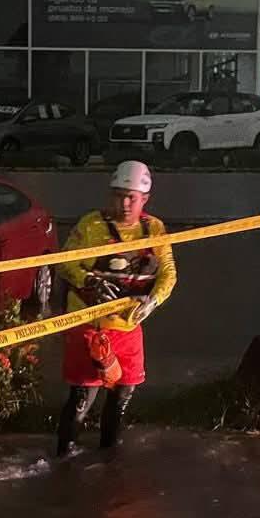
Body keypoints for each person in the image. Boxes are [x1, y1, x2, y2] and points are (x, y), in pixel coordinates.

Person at [55, 160, 176, 456]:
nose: (123, 204)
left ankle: (109, 458)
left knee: (123, 394)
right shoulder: (91, 225)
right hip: (90, 327)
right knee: (83, 395)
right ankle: (64, 457)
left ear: (145, 199)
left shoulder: (154, 229)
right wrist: (89, 281)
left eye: (131, 198)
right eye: (118, 196)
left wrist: (153, 300)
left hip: (129, 327)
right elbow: (64, 263)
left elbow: (168, 273)